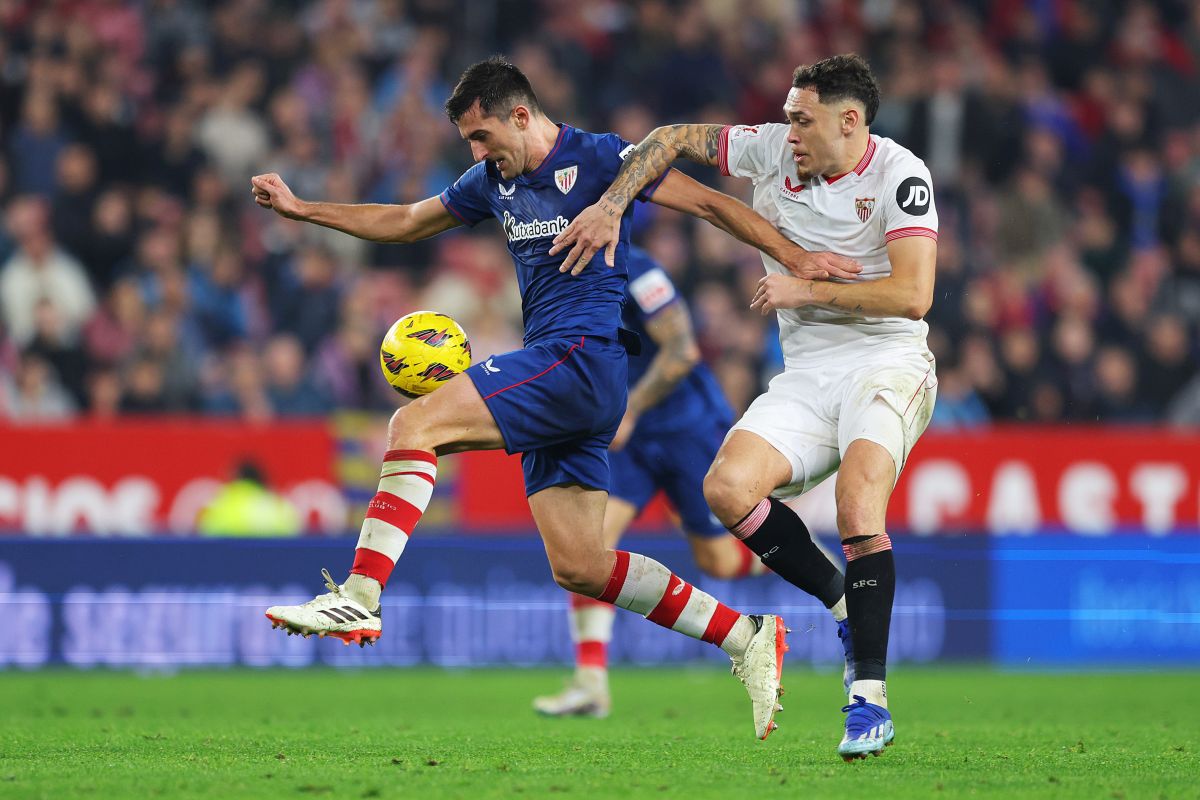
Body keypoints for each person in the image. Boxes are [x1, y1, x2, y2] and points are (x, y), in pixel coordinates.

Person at [251, 56, 858, 740]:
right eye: (468, 145)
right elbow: (407, 219)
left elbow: (714, 205)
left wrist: (798, 260)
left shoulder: (603, 160)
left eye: (482, 138)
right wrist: (306, 210)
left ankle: (360, 595)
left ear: (520, 115)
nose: (477, 155)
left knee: (413, 423)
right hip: (567, 375)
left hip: (580, 359)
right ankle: (744, 635)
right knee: (580, 564)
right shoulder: (492, 183)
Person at [551, 53, 938, 760]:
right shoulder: (768, 149)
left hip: (889, 363)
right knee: (725, 489)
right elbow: (666, 138)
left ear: (850, 122)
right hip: (809, 373)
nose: (786, 130)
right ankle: (846, 605)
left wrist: (806, 287)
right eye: (786, 115)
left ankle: (868, 702)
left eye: (802, 118)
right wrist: (611, 204)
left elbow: (914, 297)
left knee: (858, 505)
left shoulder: (900, 175)